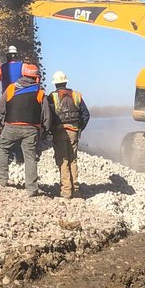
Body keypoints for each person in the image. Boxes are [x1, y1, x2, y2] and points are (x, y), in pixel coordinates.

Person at [0, 60, 49, 196]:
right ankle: (31, 188)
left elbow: (0, 108)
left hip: (11, 126)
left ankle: (2, 180)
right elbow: (46, 115)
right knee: (30, 156)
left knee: (3, 148)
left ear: (22, 75)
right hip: (31, 128)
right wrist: (44, 131)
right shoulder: (40, 92)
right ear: (36, 77)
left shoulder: (11, 88)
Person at [48, 70, 90, 198]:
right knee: (73, 160)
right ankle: (76, 189)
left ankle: (66, 191)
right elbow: (86, 115)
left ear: (55, 84)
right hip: (73, 132)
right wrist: (79, 128)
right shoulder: (76, 96)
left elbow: (48, 116)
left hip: (60, 132)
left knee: (63, 160)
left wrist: (50, 130)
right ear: (66, 82)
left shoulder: (52, 97)